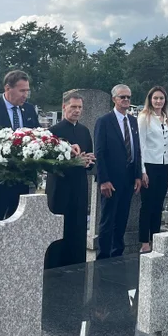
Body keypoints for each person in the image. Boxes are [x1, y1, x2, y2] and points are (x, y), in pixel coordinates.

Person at [0, 70, 39, 223]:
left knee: (17, 228)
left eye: (27, 91)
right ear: (8, 88)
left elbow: (37, 139)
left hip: (21, 181)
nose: (25, 95)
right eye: (21, 90)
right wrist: (3, 163)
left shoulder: (29, 110)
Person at [94, 84, 143, 259]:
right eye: (122, 97)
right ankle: (104, 255)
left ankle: (117, 253)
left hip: (129, 178)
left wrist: (137, 175)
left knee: (122, 217)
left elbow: (136, 150)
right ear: (114, 99)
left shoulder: (132, 121)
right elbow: (99, 152)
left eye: (128, 97)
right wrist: (104, 180)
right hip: (111, 179)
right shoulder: (104, 121)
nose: (126, 100)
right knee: (108, 219)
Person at [47, 92, 95, 268]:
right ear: (64, 107)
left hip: (79, 186)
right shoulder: (54, 132)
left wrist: (88, 161)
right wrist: (74, 161)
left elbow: (89, 160)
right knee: (60, 227)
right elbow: (49, 163)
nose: (77, 111)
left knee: (78, 226)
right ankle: (54, 266)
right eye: (73, 107)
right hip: (60, 187)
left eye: (80, 107)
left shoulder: (84, 130)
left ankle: (77, 264)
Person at [138, 86, 168, 253]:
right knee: (147, 204)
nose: (158, 101)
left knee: (159, 204)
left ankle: (155, 237)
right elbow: (141, 144)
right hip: (150, 165)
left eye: (161, 98)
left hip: (164, 165)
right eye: (155, 98)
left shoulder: (166, 117)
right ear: (150, 100)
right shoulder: (144, 118)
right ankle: (144, 241)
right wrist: (142, 170)